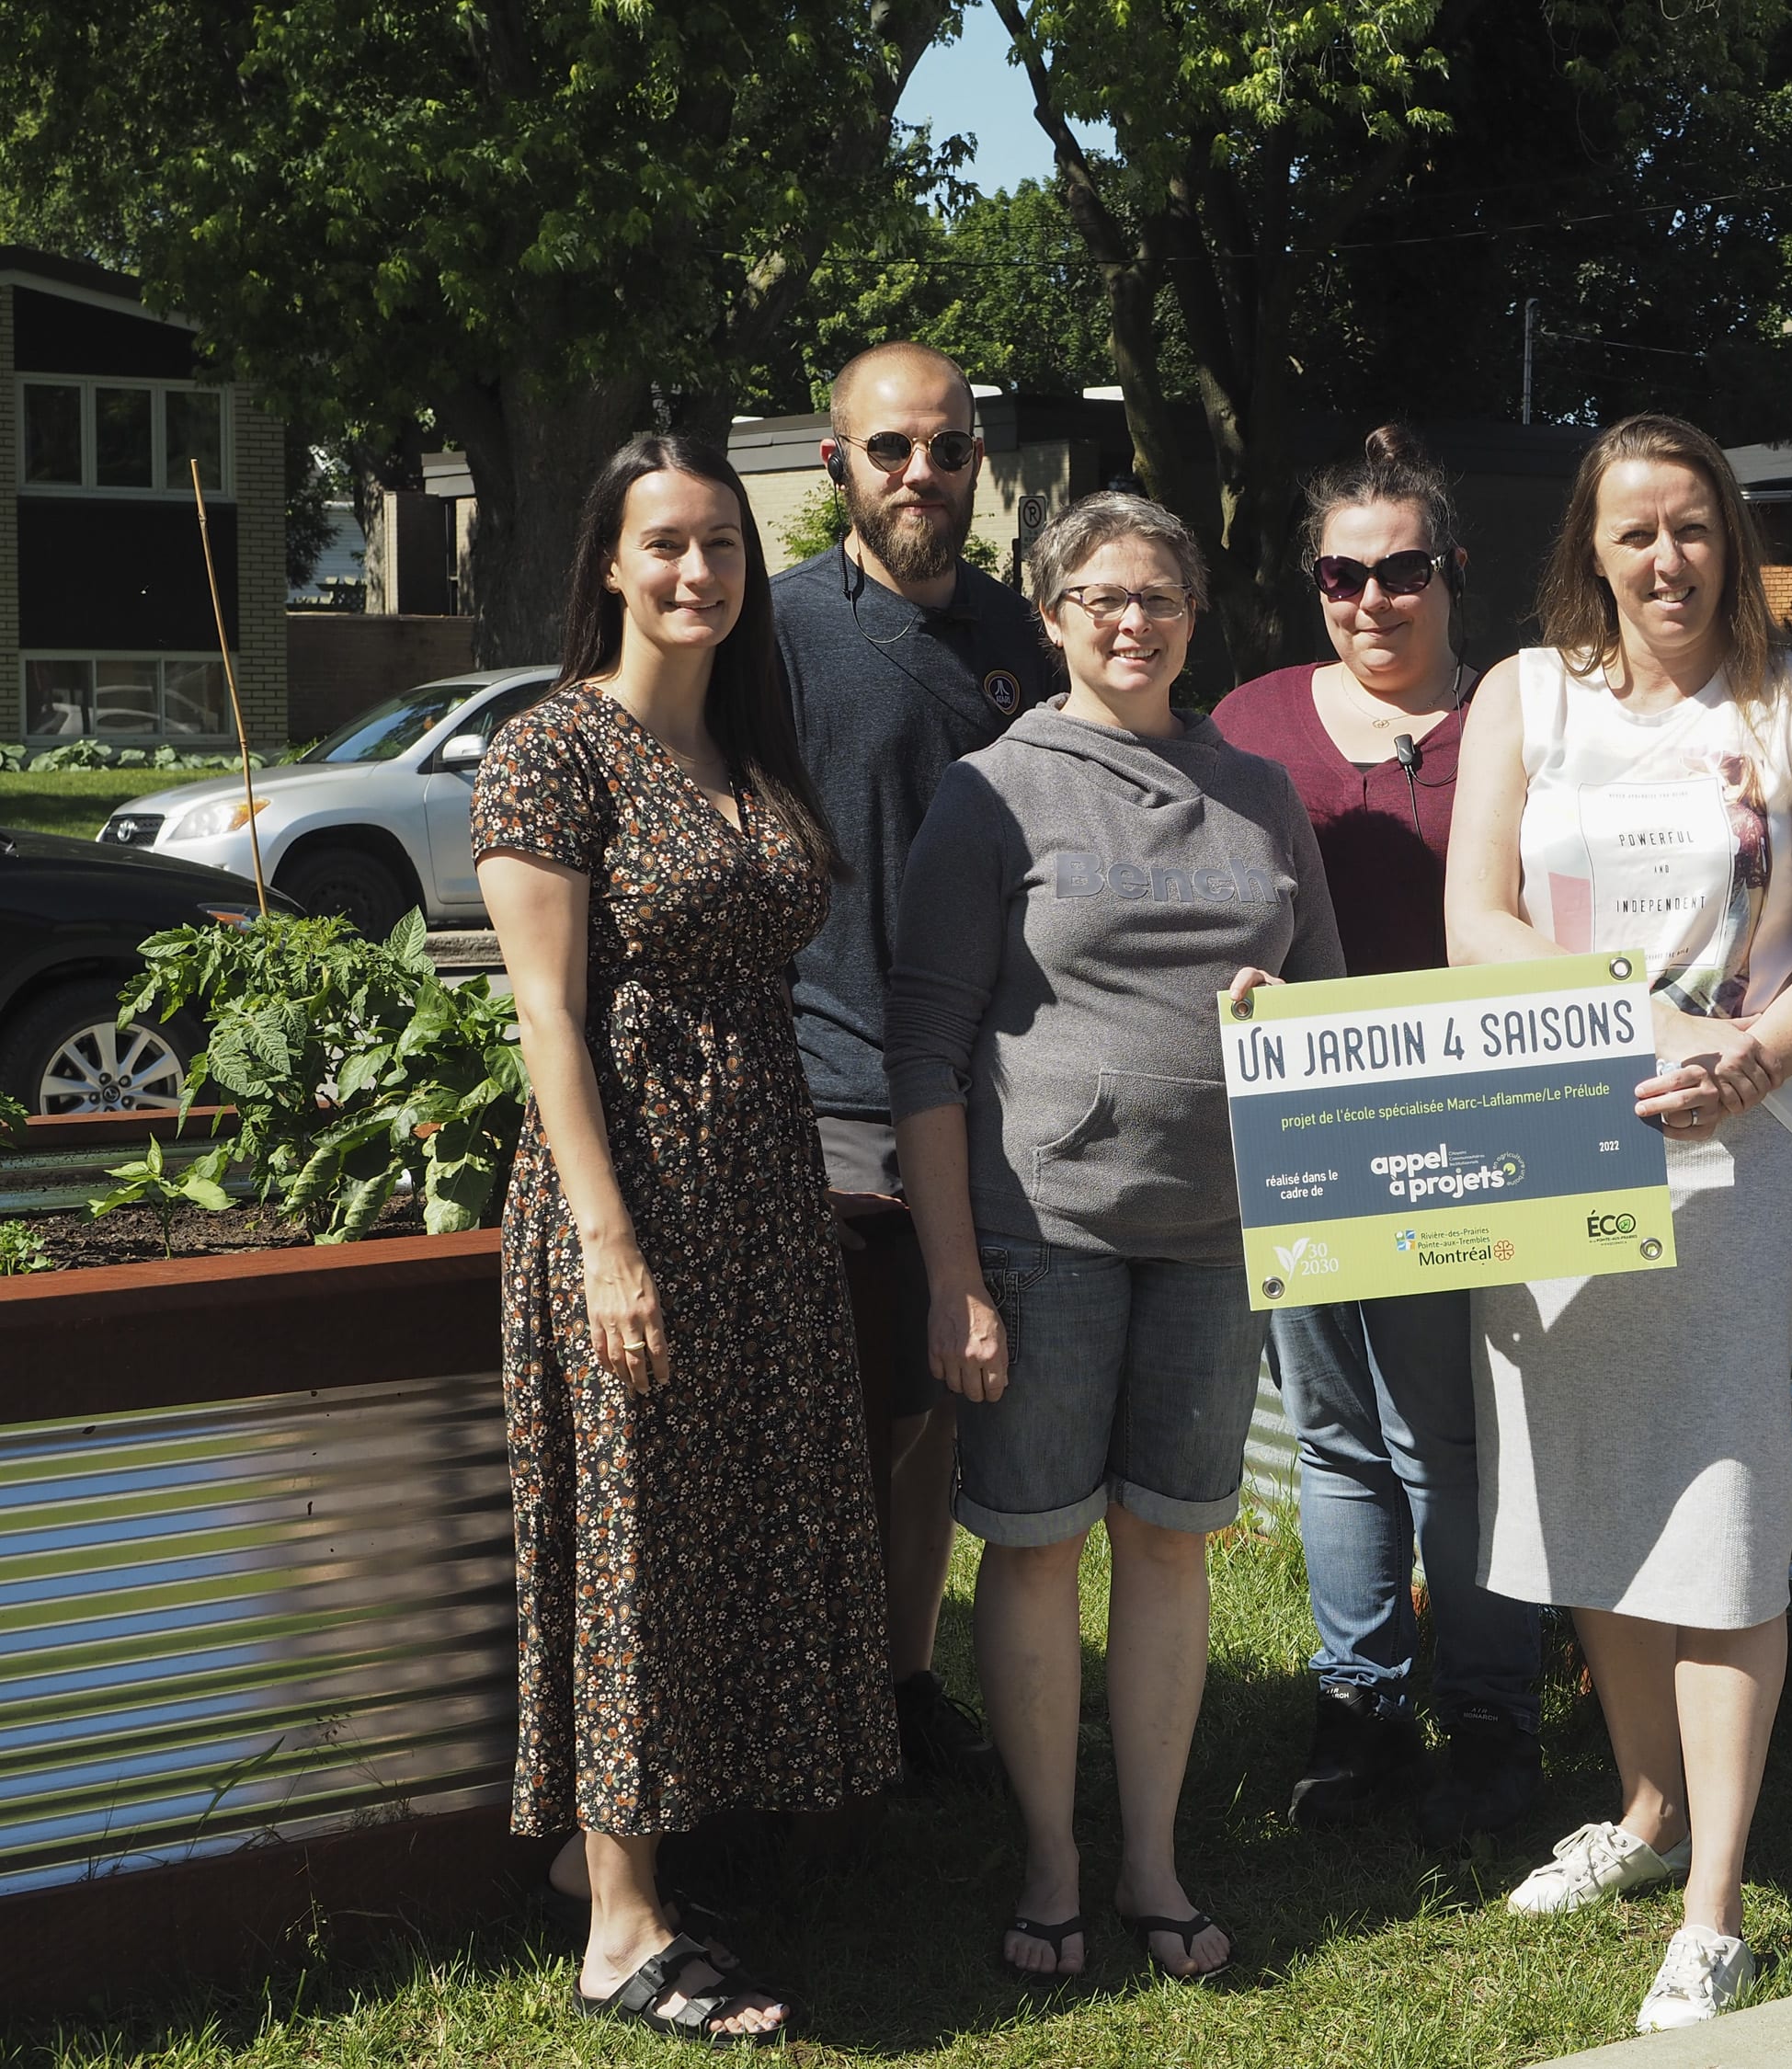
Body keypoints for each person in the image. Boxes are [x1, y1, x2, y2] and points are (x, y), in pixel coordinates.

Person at [1443, 413, 1792, 2032]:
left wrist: (1747, 1057)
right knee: (1589, 1486)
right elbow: (1473, 916)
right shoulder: (1522, 697)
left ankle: (1714, 1909)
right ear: (1594, 544)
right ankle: (1643, 1812)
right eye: (1635, 531)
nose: (1666, 558)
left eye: (1692, 526)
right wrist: (1616, 1038)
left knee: (1718, 1499)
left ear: (1730, 536)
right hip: (1557, 1142)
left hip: (1739, 1150)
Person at [884, 491, 1344, 1983]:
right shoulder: (992, 793)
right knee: (1032, 1551)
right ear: (1055, 615)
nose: (1130, 621)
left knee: (1170, 1542)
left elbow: (1332, 1015)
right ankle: (1051, 1861)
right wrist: (955, 1273)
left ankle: (1150, 1857)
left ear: (1194, 616)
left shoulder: (1259, 795)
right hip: (1047, 1237)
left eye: (1157, 597)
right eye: (1100, 598)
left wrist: (1288, 1023)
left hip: (1219, 1241)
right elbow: (927, 1050)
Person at [474, 431, 897, 2044]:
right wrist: (606, 1239)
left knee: (739, 1520)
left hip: (764, 1190)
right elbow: (547, 1015)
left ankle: (648, 1861)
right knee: (632, 1539)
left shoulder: (748, 748)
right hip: (630, 1192)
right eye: (664, 545)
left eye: (721, 544)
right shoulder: (549, 749)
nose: (697, 573)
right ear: (608, 563)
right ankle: (619, 1926)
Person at [1211, 427, 1545, 1844]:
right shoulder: (1250, 721)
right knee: (1339, 1430)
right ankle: (1363, 1712)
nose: (1372, 600)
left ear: (1452, 571)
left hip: (1479, 1119)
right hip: (1308, 1118)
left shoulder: (1524, 714)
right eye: (1342, 575)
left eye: (1401, 569)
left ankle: (1488, 1718)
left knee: (1454, 1437)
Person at [775, 339, 1053, 1792]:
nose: (920, 475)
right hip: (837, 1089)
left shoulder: (1027, 637)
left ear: (978, 460)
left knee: (947, 1405)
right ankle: (812, 1703)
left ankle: (900, 1682)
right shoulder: (777, 636)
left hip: (999, 1087)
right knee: (853, 1412)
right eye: (890, 450)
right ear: (839, 466)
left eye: (946, 448)